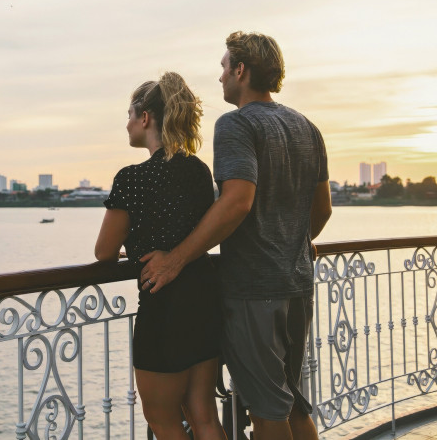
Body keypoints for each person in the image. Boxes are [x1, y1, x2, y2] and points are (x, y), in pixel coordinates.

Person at [139, 32, 332, 440]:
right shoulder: (306, 127)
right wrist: (295, 240)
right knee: (291, 402)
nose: (221, 77)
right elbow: (323, 208)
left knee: (267, 412)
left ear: (241, 70)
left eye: (224, 68)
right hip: (297, 284)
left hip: (254, 291)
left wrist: (175, 259)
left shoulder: (236, 124)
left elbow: (236, 202)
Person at [95, 72, 227, 440]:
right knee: (204, 418)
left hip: (163, 306)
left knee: (164, 421)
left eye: (129, 114)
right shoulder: (198, 172)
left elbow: (104, 252)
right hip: (203, 299)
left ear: (146, 118)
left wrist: (132, 248)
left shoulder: (132, 178)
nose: (127, 123)